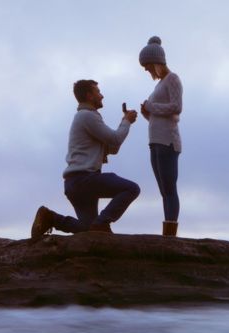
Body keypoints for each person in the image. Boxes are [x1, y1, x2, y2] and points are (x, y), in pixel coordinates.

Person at [30, 79, 140, 239]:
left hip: (74, 184)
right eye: (98, 92)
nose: (102, 96)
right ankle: (103, 222)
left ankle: (51, 218)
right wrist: (126, 121)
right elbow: (115, 140)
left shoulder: (84, 117)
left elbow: (112, 147)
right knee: (132, 189)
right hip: (85, 179)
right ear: (89, 96)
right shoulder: (88, 116)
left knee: (89, 231)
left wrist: (124, 123)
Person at [139, 36, 183, 237]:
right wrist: (147, 115)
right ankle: (168, 230)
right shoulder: (159, 85)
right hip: (155, 141)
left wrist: (151, 107)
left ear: (156, 62)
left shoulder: (172, 79)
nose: (146, 70)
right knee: (163, 190)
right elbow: (161, 117)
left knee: (169, 187)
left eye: (147, 66)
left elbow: (177, 107)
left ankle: (170, 232)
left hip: (168, 142)